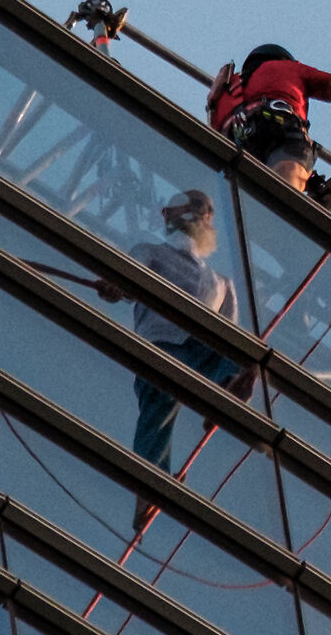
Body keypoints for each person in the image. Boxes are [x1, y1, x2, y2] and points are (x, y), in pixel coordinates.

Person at [107, 190, 255, 530]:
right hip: (161, 345)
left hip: (201, 348)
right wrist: (119, 286)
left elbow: (231, 335)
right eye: (197, 209)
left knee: (235, 354)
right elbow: (129, 278)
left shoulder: (222, 283)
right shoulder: (150, 252)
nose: (164, 210)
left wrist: (237, 362)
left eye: (205, 212)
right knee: (158, 409)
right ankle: (150, 482)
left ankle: (225, 390)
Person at [206, 43, 331, 194]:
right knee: (285, 194)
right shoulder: (288, 68)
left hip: (235, 142)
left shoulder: (222, 94)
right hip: (280, 127)